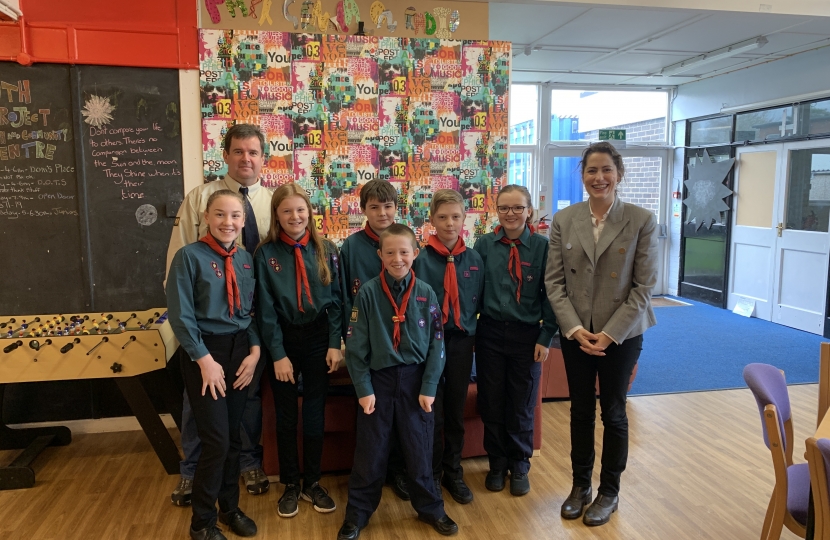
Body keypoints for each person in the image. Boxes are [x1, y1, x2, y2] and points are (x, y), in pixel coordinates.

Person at [545, 141, 658, 526]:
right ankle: (580, 486)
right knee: (579, 411)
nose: (599, 178)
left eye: (606, 170)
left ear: (619, 174)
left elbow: (644, 288)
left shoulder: (642, 220)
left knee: (613, 411)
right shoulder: (565, 219)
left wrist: (608, 334)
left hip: (621, 334)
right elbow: (554, 282)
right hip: (577, 333)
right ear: (582, 175)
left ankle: (609, 491)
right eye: (592, 171)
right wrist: (576, 330)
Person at [165, 124, 272, 505]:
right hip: (203, 331)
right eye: (239, 151)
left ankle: (247, 463)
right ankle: (193, 472)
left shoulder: (271, 203)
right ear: (224, 155)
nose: (246, 158)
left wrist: (258, 341)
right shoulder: (200, 198)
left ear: (263, 158)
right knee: (199, 407)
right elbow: (176, 264)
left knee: (247, 401)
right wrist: (189, 339)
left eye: (254, 152)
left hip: (246, 329)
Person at [338, 224, 458, 540]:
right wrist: (363, 390)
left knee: (420, 449)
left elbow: (437, 343)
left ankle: (432, 509)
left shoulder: (426, 293)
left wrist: (429, 387)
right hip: (379, 381)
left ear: (415, 254)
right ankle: (357, 515)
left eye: (404, 252)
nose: (397, 258)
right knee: (370, 452)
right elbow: (355, 347)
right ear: (380, 255)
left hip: (417, 382)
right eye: (389, 252)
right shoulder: (366, 293)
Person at [167, 189, 260, 540]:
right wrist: (203, 359)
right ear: (206, 216)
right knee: (216, 441)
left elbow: (250, 312)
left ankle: (229, 508)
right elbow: (181, 315)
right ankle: (202, 523)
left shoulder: (246, 260)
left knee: (233, 438)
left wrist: (253, 352)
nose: (228, 222)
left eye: (235, 216)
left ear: (243, 220)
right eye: (220, 214)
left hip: (239, 354)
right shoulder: (189, 257)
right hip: (204, 353)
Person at [254, 184, 343, 518]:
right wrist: (277, 354)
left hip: (320, 338)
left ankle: (313, 483)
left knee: (315, 412)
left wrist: (335, 343)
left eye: (301, 210)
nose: (295, 216)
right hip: (285, 339)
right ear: (277, 215)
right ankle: (291, 484)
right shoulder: (266, 254)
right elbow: (265, 309)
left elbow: (336, 302)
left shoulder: (327, 249)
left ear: (310, 212)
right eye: (287, 211)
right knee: (287, 413)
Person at [473, 184, 558, 497]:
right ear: (497, 211)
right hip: (491, 332)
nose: (511, 214)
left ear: (529, 210)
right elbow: (474, 290)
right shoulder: (483, 245)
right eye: (504, 208)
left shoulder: (542, 247)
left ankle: (520, 464)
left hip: (527, 335)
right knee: (492, 399)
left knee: (522, 401)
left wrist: (546, 335)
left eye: (518, 208)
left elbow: (551, 295)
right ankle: (496, 463)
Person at [338, 179, 410, 501]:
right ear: (363, 209)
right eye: (374, 207)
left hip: (400, 342)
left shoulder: (406, 241)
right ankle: (370, 476)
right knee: (370, 412)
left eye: (388, 206)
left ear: (397, 208)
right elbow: (342, 298)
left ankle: (398, 470)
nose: (382, 213)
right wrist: (346, 341)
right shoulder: (351, 247)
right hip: (366, 343)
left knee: (400, 412)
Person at [413, 189, 483, 504]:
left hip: (460, 342)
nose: (449, 223)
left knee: (455, 409)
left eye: (455, 216)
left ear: (464, 218)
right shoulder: (419, 258)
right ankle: (429, 474)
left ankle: (453, 472)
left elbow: (479, 302)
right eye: (442, 217)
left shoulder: (474, 259)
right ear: (431, 219)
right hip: (428, 344)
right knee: (431, 411)